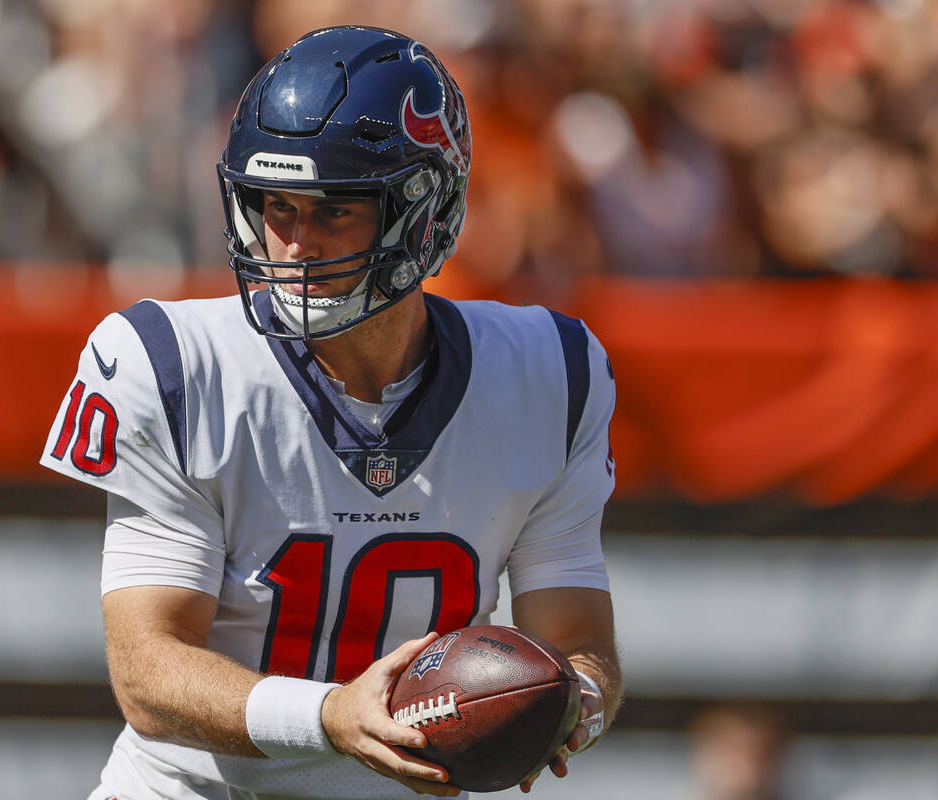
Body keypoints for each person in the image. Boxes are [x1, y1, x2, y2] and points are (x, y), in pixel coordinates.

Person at [41, 25, 622, 800]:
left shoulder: (549, 372)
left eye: (334, 210)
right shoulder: (175, 363)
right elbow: (146, 670)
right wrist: (329, 717)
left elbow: (577, 641)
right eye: (273, 205)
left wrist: (568, 706)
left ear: (427, 209)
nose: (293, 245)